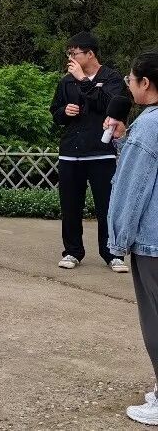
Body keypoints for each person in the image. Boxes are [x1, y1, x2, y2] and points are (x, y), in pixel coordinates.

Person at [105, 51, 158, 425]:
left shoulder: (149, 125)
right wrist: (125, 139)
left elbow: (131, 188)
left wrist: (118, 240)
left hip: (153, 240)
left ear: (146, 83)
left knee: (154, 319)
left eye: (130, 79)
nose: (128, 85)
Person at [50, 31, 128, 273]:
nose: (70, 58)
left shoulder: (111, 78)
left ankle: (113, 253)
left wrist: (84, 80)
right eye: (69, 53)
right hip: (70, 152)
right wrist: (64, 112)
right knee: (70, 207)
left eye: (74, 53)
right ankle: (72, 251)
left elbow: (110, 106)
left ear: (90, 53)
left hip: (101, 152)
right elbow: (55, 113)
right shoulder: (66, 81)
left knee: (107, 206)